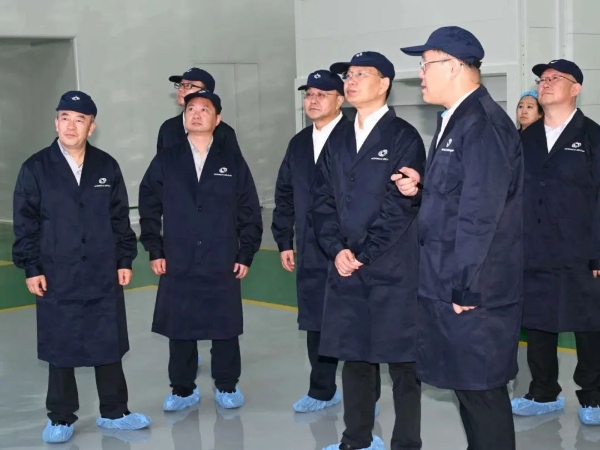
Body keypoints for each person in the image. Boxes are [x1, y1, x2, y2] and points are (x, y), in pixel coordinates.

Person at [396, 26, 524, 450]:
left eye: (425, 64)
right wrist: (424, 187)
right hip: (451, 281)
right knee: (467, 388)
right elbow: (463, 193)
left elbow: (481, 215)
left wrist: (466, 285)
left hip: (473, 291)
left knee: (481, 390)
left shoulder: (482, 124)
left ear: (452, 66)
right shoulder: (456, 120)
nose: (420, 74)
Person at [12, 91, 151, 444]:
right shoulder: (36, 167)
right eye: (64, 117)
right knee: (60, 343)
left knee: (108, 340)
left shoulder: (106, 167)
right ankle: (60, 417)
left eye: (79, 119)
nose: (70, 126)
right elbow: (26, 223)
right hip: (56, 271)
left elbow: (119, 219)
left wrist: (124, 259)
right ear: (55, 122)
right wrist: (32, 267)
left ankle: (115, 412)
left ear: (92, 127)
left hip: (102, 269)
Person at [313, 51, 426, 450]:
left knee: (403, 363)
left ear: (385, 83)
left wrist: (363, 252)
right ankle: (356, 438)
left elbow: (401, 206)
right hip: (346, 265)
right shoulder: (338, 137)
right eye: (348, 74)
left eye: (362, 74)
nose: (351, 80)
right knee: (355, 356)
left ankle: (406, 442)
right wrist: (336, 249)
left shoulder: (403, 136)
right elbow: (322, 199)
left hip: (391, 266)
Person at [139, 89, 262, 412]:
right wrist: (155, 249)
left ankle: (227, 385)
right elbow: (148, 205)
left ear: (217, 119)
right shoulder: (167, 159)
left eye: (205, 109)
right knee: (180, 325)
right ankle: (182, 389)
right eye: (191, 108)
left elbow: (249, 209)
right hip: (177, 255)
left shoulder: (231, 161)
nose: (196, 114)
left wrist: (245, 253)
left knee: (225, 324)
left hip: (221, 255)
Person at [511, 59, 600, 426]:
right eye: (542, 79)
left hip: (581, 251)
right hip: (532, 249)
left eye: (554, 78)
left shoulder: (592, 136)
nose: (545, 83)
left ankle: (593, 396)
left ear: (575, 89)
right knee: (538, 321)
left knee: (589, 324)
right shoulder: (524, 139)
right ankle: (543, 392)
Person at [272, 69, 348, 413]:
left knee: (354, 321)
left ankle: (366, 396)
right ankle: (321, 390)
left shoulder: (354, 137)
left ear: (340, 100)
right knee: (316, 321)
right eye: (309, 94)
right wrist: (284, 239)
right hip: (309, 246)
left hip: (348, 248)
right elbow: (284, 193)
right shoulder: (299, 143)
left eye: (322, 94)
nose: (313, 100)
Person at [157, 67, 241, 155]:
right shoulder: (168, 128)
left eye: (188, 85)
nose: (180, 89)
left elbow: (234, 163)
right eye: (181, 85)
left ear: (205, 92)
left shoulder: (224, 132)